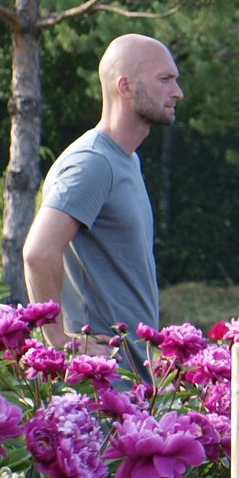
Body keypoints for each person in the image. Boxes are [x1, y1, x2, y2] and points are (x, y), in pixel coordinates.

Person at [23, 34, 182, 362]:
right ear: (125, 87)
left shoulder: (127, 160)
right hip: (100, 380)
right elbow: (38, 252)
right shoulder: (92, 162)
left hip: (130, 378)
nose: (177, 92)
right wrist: (57, 338)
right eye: (165, 79)